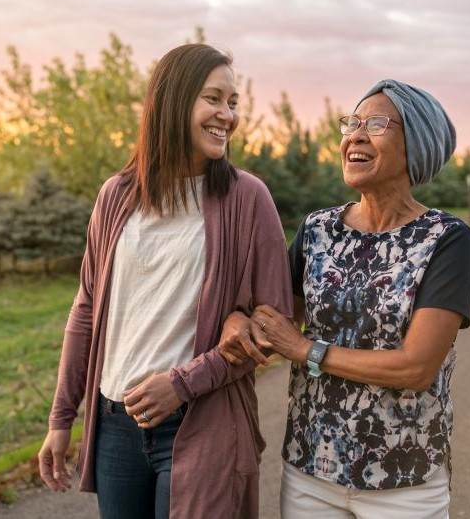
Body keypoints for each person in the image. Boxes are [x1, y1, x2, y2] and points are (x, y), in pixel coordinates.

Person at [38, 43, 293, 519]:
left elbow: (271, 325)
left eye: (233, 102)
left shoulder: (247, 199)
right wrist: (61, 419)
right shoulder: (116, 196)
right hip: (115, 424)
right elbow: (86, 310)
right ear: (173, 101)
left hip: (201, 421)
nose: (227, 115)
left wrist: (182, 383)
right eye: (213, 99)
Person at [220, 79, 470, 518]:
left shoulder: (446, 240)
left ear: (415, 144)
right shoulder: (317, 230)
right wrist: (237, 321)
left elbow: (416, 367)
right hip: (311, 471)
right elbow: (274, 320)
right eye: (351, 123)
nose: (355, 134)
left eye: (376, 124)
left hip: (405, 480)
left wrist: (305, 349)